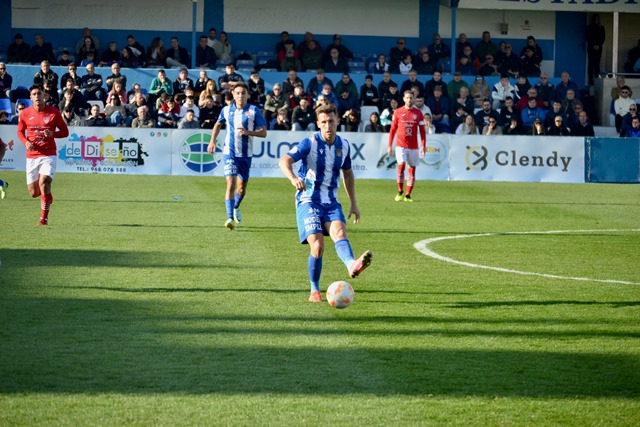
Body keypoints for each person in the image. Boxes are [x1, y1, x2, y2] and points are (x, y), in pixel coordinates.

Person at [278, 102, 373, 303]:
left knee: (340, 233)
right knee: (318, 246)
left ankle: (351, 265)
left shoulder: (344, 145)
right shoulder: (309, 143)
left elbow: (347, 174)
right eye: (324, 122)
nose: (328, 126)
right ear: (318, 124)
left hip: (330, 201)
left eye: (331, 121)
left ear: (338, 121)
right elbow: (284, 161)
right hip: (308, 201)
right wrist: (294, 178)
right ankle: (314, 289)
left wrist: (353, 203)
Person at [207, 83, 267, 230]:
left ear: (247, 95)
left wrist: (248, 132)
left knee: (241, 189)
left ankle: (235, 207)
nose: (240, 95)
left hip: (246, 155)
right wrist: (212, 141)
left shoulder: (254, 111)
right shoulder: (226, 110)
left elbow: (263, 132)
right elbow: (217, 124)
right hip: (230, 153)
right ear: (233, 94)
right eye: (238, 93)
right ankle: (229, 218)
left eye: (243, 93)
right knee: (230, 184)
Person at [16, 85, 69, 225]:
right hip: (32, 155)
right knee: (34, 193)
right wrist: (26, 142)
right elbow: (20, 132)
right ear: (31, 97)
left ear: (44, 95)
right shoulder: (25, 113)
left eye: (39, 93)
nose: (37, 96)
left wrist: (53, 134)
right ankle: (47, 197)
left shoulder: (53, 112)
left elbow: (65, 132)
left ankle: (43, 219)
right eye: (34, 94)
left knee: (44, 182)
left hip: (48, 154)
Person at [388, 90, 426, 202]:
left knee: (412, 170)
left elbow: (423, 132)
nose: (409, 100)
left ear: (414, 99)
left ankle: (408, 195)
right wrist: (390, 145)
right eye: (407, 98)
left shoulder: (418, 113)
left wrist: (423, 146)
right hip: (401, 145)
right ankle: (400, 191)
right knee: (401, 166)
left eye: (411, 98)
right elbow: (392, 130)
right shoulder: (398, 112)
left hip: (413, 146)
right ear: (404, 99)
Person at [586, 14, 605, 86]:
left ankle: (597, 79)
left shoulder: (601, 27)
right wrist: (593, 44)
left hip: (599, 47)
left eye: (597, 19)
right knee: (591, 63)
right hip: (591, 47)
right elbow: (587, 37)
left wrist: (598, 45)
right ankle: (590, 80)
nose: (596, 20)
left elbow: (603, 38)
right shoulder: (589, 27)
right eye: (595, 19)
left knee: (597, 63)